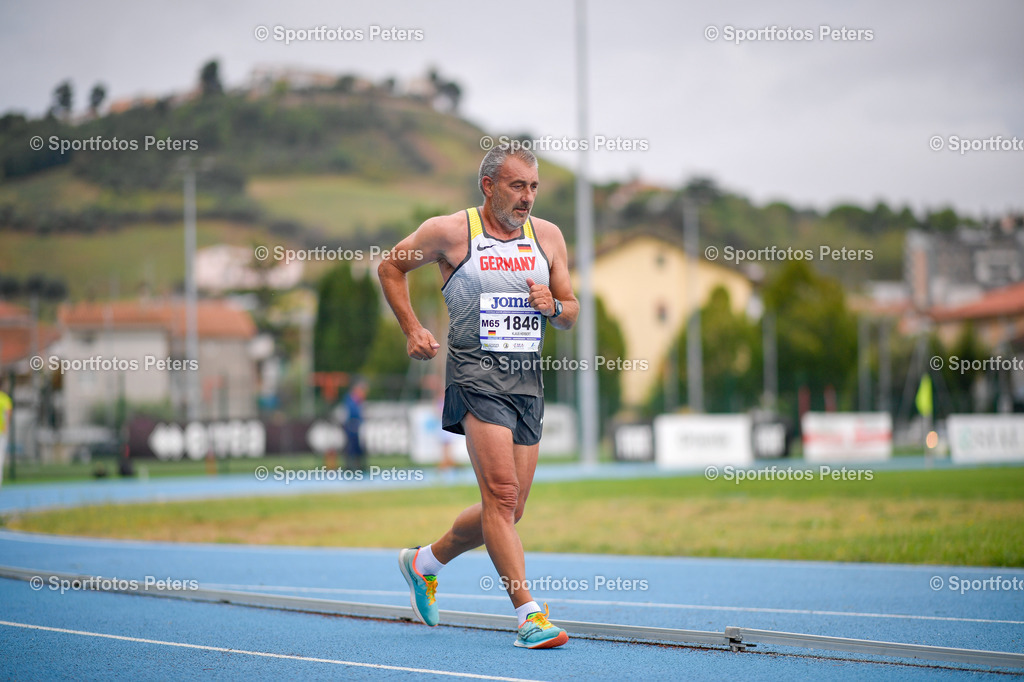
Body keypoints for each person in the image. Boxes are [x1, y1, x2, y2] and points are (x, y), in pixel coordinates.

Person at [378, 144, 578, 649]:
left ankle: (423, 562)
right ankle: (529, 616)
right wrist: (412, 327)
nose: (527, 197)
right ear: (488, 186)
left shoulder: (548, 236)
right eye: (517, 186)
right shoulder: (449, 231)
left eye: (533, 187)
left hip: (526, 381)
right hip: (475, 375)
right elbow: (390, 268)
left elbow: (572, 310)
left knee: (510, 510)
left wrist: (554, 305)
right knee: (502, 495)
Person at [341, 379, 367, 472]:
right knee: (351, 447)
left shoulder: (358, 401)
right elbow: (351, 413)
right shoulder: (351, 399)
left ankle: (359, 466)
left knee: (358, 448)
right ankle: (349, 466)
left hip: (357, 426)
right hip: (351, 426)